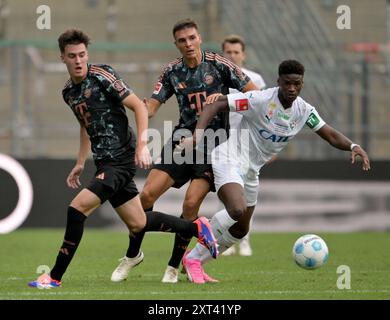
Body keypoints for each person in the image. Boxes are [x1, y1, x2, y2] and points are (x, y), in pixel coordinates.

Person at [28, 29, 218, 289]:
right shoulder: (68, 92)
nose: (78, 60)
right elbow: (85, 124)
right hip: (104, 162)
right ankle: (197, 229)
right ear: (63, 58)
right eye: (72, 56)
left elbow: (139, 106)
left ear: (87, 55)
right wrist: (81, 161)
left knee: (76, 209)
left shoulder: (102, 75)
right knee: (139, 222)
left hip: (121, 159)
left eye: (82, 55)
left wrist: (142, 146)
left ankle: (54, 277)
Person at [178, 59, 371, 284]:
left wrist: (353, 146)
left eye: (297, 84)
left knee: (240, 230)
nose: (292, 88)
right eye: (287, 83)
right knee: (236, 209)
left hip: (252, 170)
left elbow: (329, 134)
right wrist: (198, 135)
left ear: (302, 84)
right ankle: (192, 257)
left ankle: (196, 261)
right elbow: (215, 105)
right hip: (230, 158)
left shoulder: (304, 111)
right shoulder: (259, 99)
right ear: (278, 81)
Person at [110, 19, 258, 284]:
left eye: (192, 38)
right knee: (145, 197)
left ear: (199, 38)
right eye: (182, 40)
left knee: (190, 204)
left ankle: (173, 266)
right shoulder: (171, 71)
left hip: (215, 144)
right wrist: (142, 109)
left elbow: (255, 95)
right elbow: (153, 105)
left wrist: (225, 101)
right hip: (182, 141)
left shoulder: (220, 65)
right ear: (176, 44)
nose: (188, 44)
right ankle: (133, 254)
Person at [221, 34, 267, 256]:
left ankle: (245, 238)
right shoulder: (218, 78)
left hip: (248, 145)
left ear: (243, 55)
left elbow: (265, 113)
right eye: (228, 52)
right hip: (222, 142)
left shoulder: (255, 80)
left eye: (236, 52)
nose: (232, 56)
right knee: (228, 192)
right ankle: (229, 237)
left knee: (247, 194)